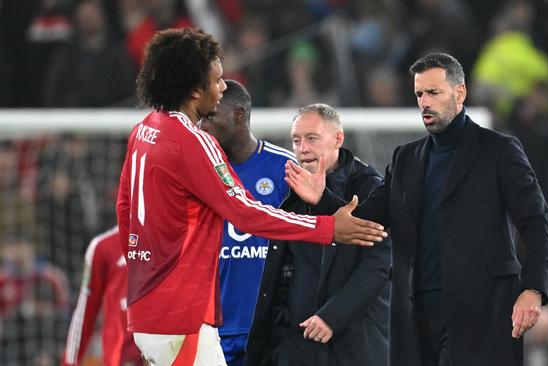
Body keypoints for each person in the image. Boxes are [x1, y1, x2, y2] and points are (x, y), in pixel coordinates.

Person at [115, 28, 386, 366]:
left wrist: (145, 272)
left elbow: (124, 208)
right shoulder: (192, 140)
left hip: (148, 308)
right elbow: (244, 212)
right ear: (195, 88)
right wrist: (328, 228)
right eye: (217, 80)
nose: (223, 87)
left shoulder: (144, 129)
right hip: (181, 312)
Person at [285, 52, 548, 366]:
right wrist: (323, 199)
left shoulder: (499, 151)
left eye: (433, 93)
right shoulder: (406, 159)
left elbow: (537, 223)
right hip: (417, 320)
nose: (425, 102)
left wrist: (533, 289)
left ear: (460, 93)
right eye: (419, 94)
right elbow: (364, 219)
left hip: (482, 314)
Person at [245, 103, 391, 366]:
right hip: (295, 344)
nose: (302, 149)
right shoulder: (290, 189)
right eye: (296, 140)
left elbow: (378, 265)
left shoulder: (370, 186)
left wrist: (332, 317)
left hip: (352, 343)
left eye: (312, 138)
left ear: (338, 139)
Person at [198, 79, 296, 366]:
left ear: (239, 115)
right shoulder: (199, 173)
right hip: (214, 333)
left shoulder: (285, 169)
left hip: (273, 331)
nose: (202, 127)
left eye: (211, 117)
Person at [62, 226, 143, 366]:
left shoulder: (174, 236)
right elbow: (85, 313)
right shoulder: (103, 246)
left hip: (167, 353)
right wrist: (69, 363)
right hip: (120, 357)